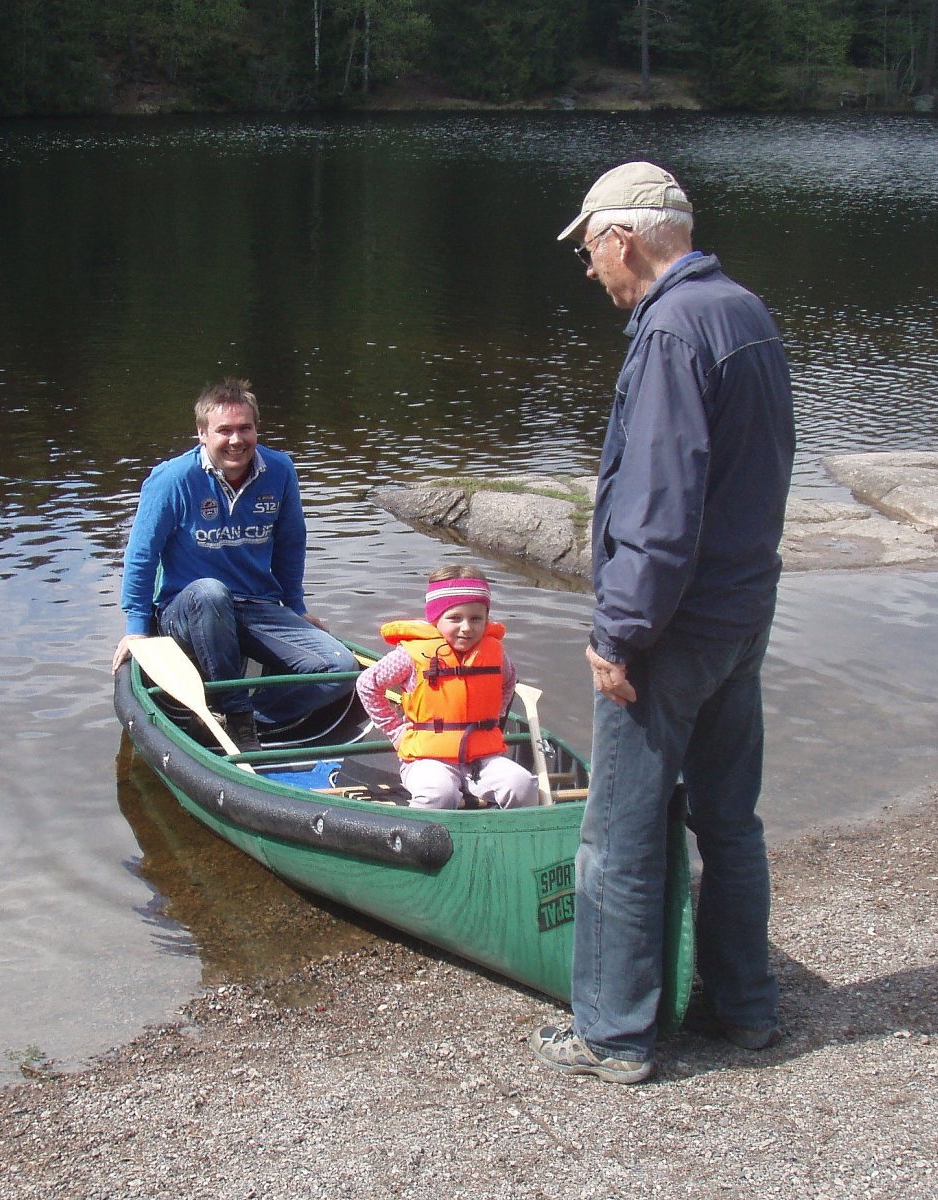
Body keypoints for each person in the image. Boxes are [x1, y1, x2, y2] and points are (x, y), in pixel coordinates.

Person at [530, 163, 796, 1084]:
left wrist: (618, 632)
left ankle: (613, 1034)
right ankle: (743, 1007)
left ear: (624, 239)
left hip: (671, 629)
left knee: (621, 836)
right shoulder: (743, 310)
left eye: (589, 249)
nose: (588, 268)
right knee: (728, 820)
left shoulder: (672, 330)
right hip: (741, 613)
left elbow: (658, 503)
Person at [111, 378, 356, 750]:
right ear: (202, 434)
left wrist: (295, 606)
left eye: (245, 428)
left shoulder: (280, 470)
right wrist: (136, 628)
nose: (236, 440)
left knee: (340, 668)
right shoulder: (172, 480)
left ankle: (249, 718)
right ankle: (236, 714)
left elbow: (291, 543)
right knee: (211, 593)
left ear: (256, 429)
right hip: (187, 610)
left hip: (255, 606)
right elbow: (142, 555)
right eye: (224, 430)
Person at [356, 566, 538, 810]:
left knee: (522, 783)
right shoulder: (409, 656)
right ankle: (422, 832)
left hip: (482, 758)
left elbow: (508, 681)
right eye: (455, 618)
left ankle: (515, 830)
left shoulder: (495, 653)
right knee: (438, 793)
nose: (467, 627)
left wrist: (496, 715)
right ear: (435, 619)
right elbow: (367, 685)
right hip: (427, 759)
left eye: (476, 619)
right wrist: (395, 731)